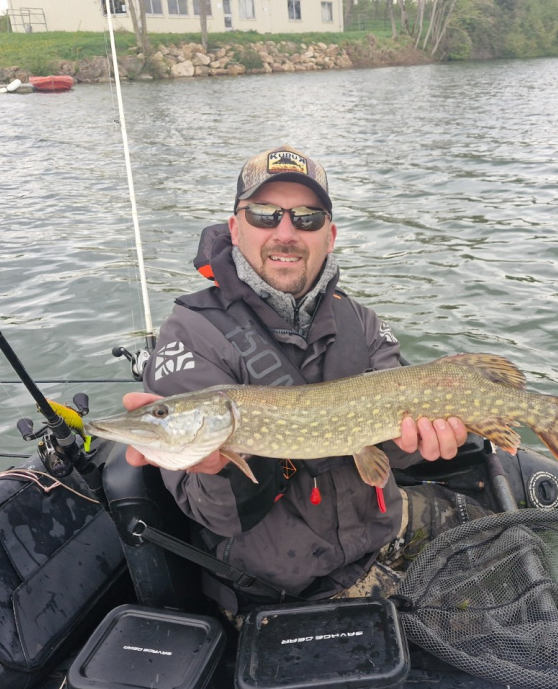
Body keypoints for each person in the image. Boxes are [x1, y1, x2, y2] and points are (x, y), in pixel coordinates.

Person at [123, 145, 479, 614]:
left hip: (378, 533)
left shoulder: (359, 321)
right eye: (265, 215)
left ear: (329, 236)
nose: (286, 233)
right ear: (235, 228)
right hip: (287, 587)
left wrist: (418, 443)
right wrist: (218, 469)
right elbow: (216, 515)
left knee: (490, 539)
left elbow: (389, 453)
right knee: (464, 621)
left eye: (307, 218)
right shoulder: (192, 334)